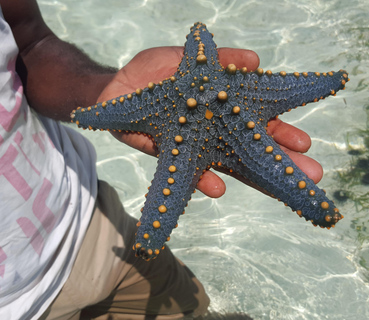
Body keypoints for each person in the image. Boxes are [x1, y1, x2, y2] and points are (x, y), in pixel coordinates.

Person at [0, 0, 324, 319]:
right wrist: (102, 111)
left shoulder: (180, 97)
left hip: (86, 212)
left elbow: (31, 44)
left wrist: (103, 92)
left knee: (186, 306)